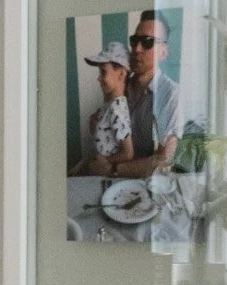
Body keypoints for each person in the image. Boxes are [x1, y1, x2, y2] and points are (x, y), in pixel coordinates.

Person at [112, 10, 181, 175]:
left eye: (148, 42)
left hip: (149, 185)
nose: (136, 49)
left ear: (163, 52)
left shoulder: (171, 94)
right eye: (134, 40)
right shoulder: (121, 86)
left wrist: (114, 169)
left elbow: (165, 159)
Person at [76, 43, 138, 173]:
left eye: (103, 72)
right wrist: (95, 127)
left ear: (121, 74)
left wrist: (104, 161)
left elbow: (128, 153)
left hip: (106, 176)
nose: (98, 78)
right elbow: (107, 140)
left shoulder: (117, 108)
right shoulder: (109, 105)